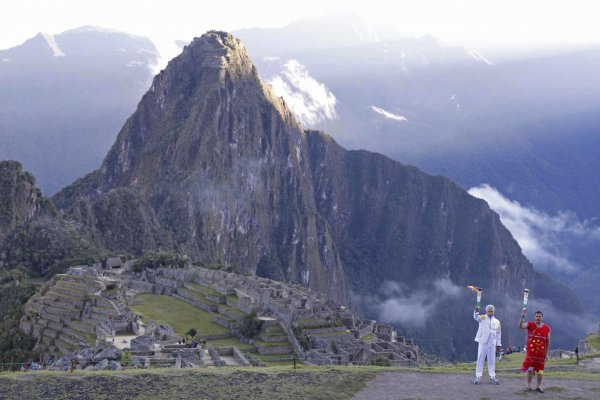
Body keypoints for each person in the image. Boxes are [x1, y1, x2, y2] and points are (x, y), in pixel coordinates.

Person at [519, 310, 551, 393]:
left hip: (541, 354)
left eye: (540, 316)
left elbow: (548, 342)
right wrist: (521, 318)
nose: (538, 318)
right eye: (537, 316)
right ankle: (528, 386)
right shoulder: (530, 324)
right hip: (530, 354)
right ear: (534, 317)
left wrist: (546, 353)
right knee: (529, 370)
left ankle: (538, 386)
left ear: (542, 318)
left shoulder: (547, 328)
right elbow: (521, 326)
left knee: (540, 371)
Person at [473, 304, 502, 384]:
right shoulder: (482, 317)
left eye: (491, 311)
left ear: (494, 312)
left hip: (492, 343)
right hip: (483, 342)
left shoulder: (497, 322)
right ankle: (478, 376)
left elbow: (498, 334)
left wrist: (498, 344)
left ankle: (492, 376)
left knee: (491, 361)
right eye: (489, 311)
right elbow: (476, 317)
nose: (490, 312)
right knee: (480, 359)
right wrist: (476, 312)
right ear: (486, 311)